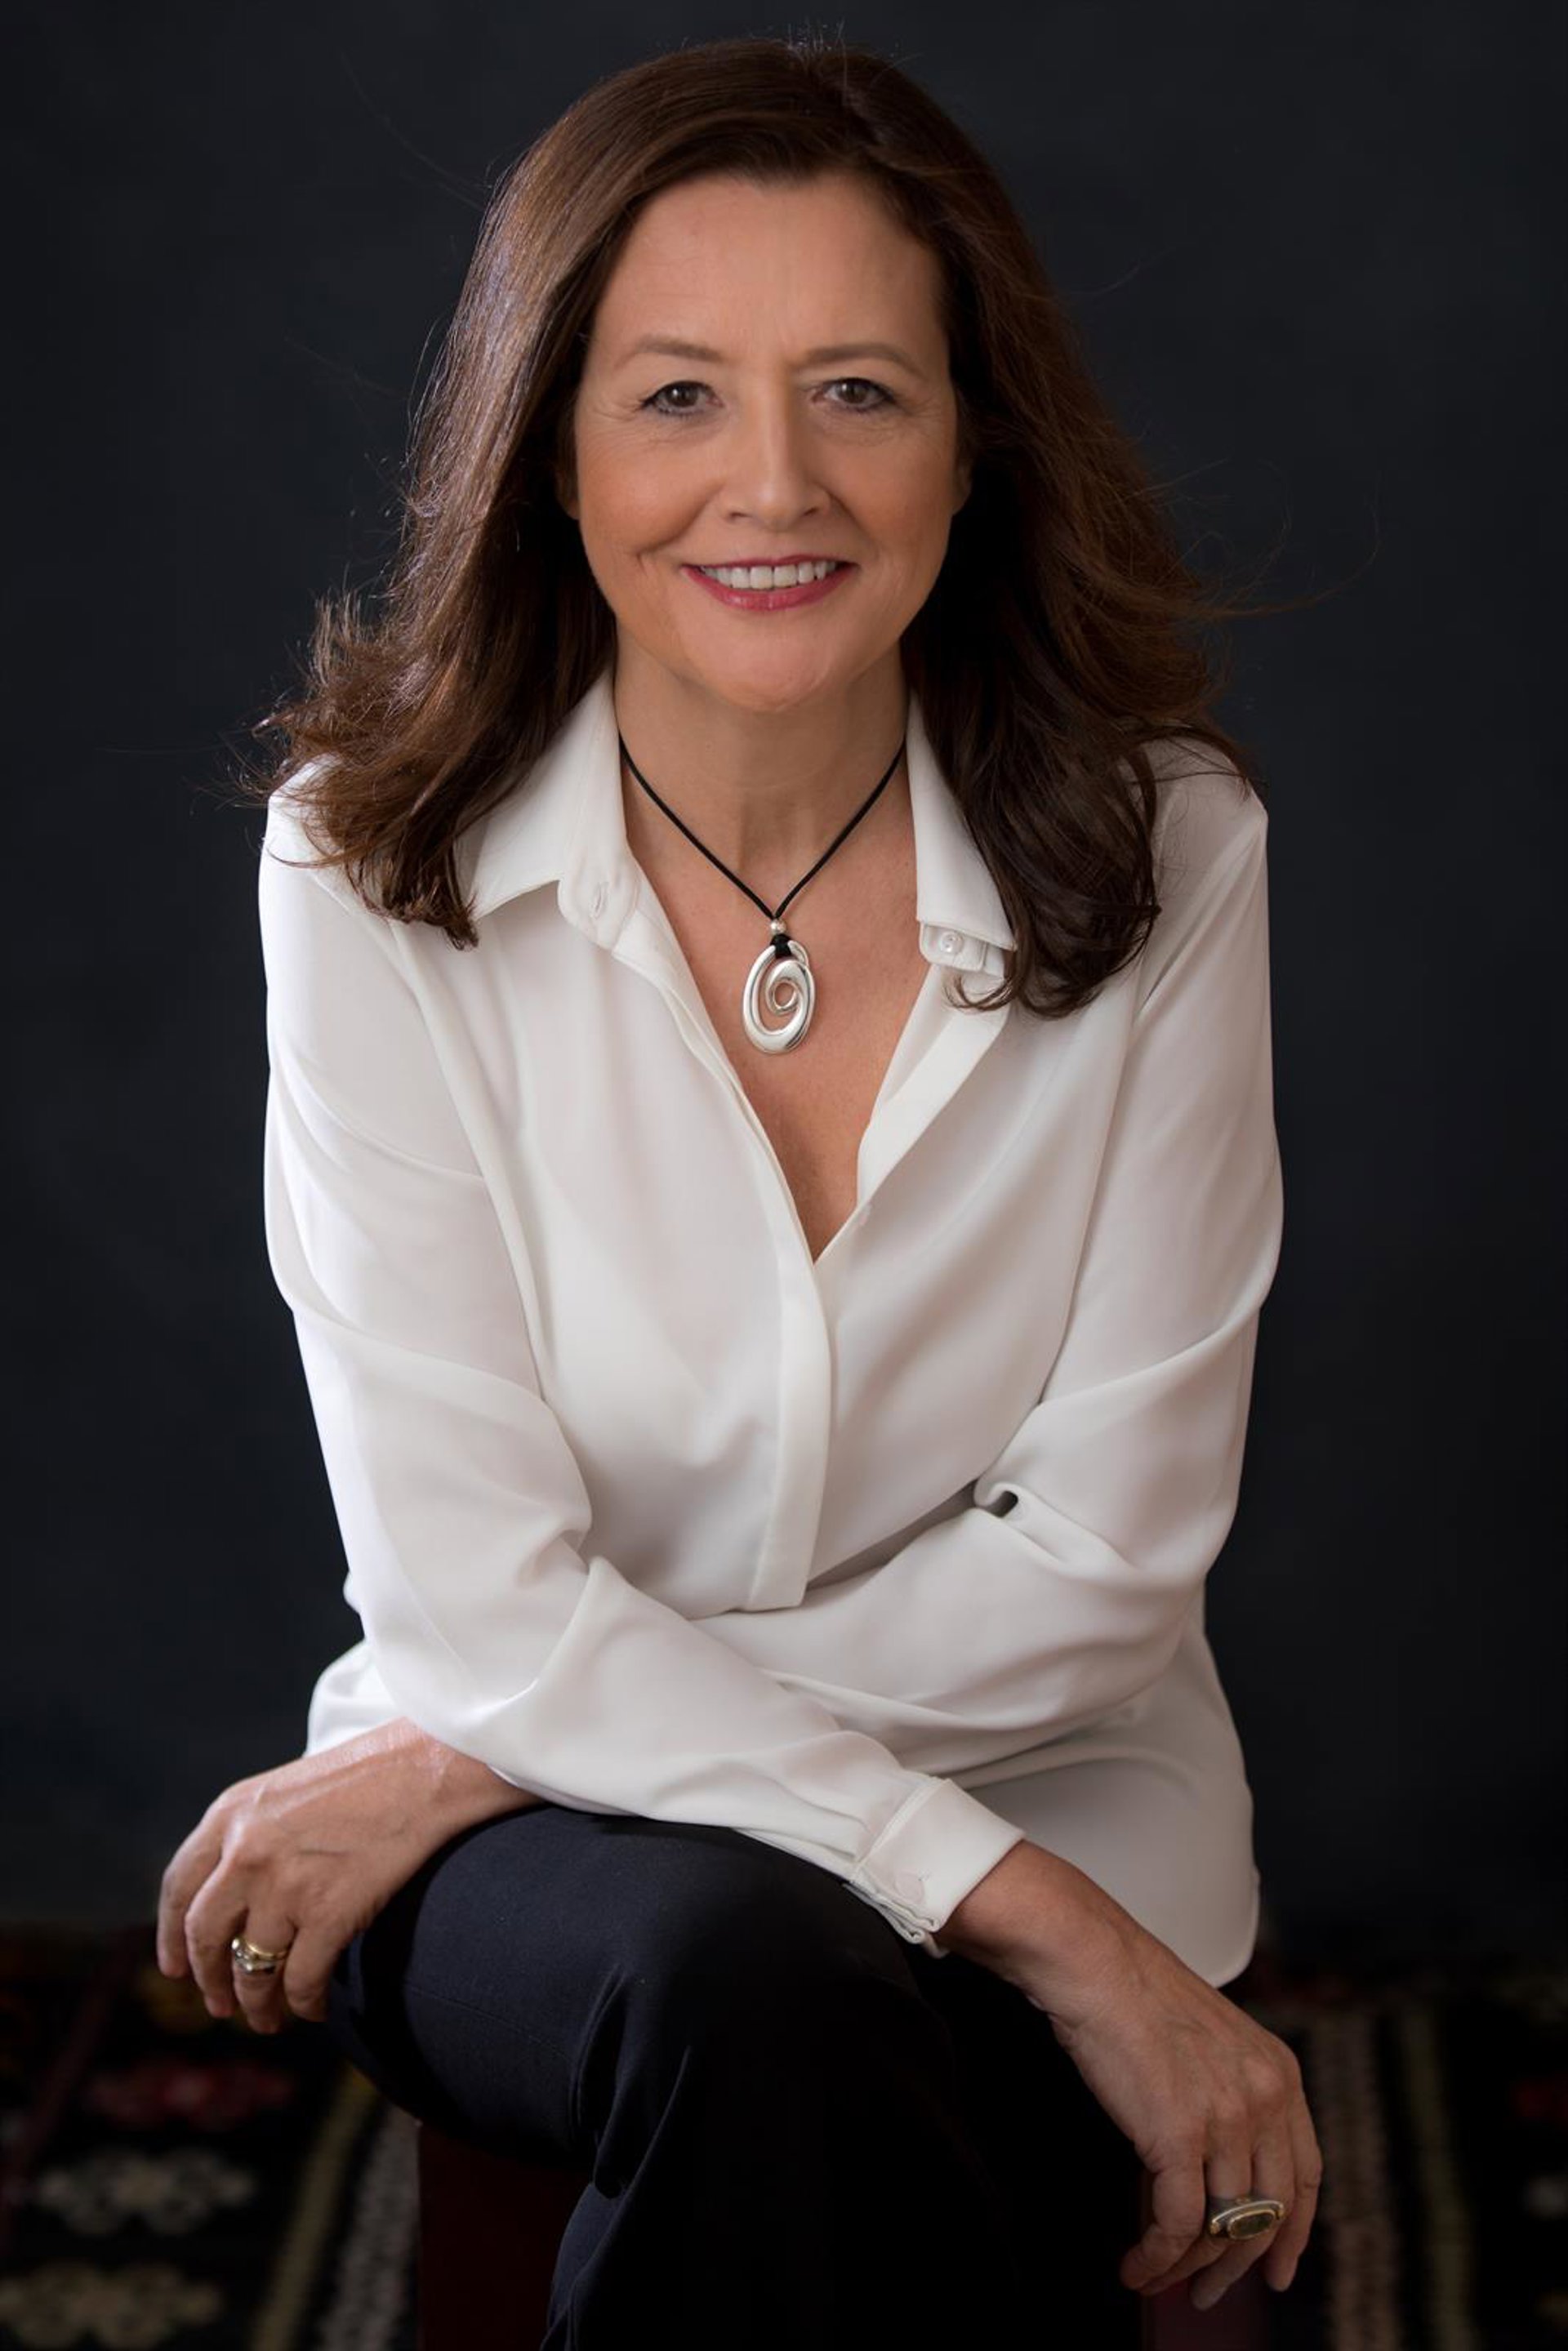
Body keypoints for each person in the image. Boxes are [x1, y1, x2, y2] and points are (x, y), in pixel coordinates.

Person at [157, 32, 1322, 2348]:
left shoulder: (1172, 853)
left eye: (860, 392)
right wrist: (1037, 1921)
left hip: (957, 1777)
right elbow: (473, 1586)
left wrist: (477, 1750)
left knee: (791, 2037)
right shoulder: (366, 875)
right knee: (748, 1978)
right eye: (677, 394)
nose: (772, 483)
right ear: (552, 449)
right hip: (565, 1871)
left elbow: (1100, 1573)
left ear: (975, 442)